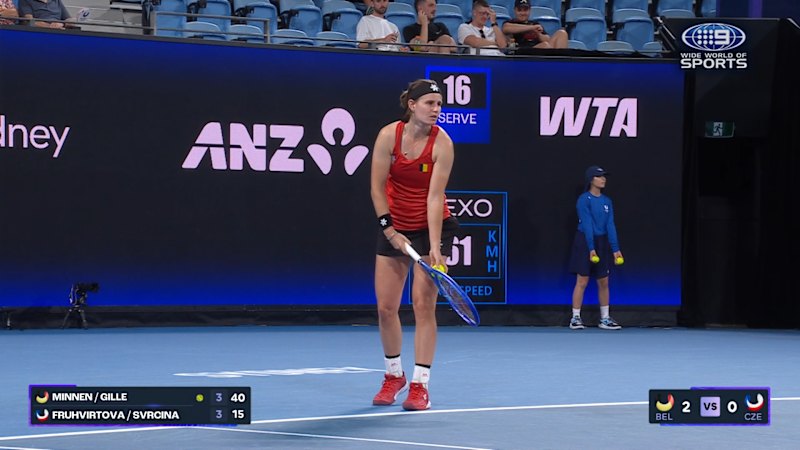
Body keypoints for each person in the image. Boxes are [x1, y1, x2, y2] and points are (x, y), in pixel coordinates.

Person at [369, 79, 459, 411]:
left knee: (423, 306)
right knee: (386, 308)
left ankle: (420, 385)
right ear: (412, 105)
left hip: (431, 227)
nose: (436, 109)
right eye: (430, 103)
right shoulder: (387, 136)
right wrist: (390, 231)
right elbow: (377, 188)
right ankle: (394, 376)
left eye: (439, 104)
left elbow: (435, 198)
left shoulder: (443, 143)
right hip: (394, 224)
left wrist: (435, 246)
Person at [568, 166, 623, 330]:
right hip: (585, 241)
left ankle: (605, 318)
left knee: (604, 281)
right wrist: (591, 248)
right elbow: (587, 224)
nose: (603, 179)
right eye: (599, 176)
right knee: (582, 280)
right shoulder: (583, 200)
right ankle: (575, 318)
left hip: (602, 241)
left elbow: (610, 225)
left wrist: (615, 249)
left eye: (604, 176)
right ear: (591, 180)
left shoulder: (607, 201)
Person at [502, 0, 568, 50]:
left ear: (530, 10)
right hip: (522, 52)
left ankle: (561, 61)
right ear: (515, 10)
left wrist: (538, 34)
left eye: (525, 10)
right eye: (519, 10)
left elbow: (548, 40)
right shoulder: (510, 23)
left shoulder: (535, 24)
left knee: (562, 33)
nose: (522, 13)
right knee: (545, 46)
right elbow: (506, 28)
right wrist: (532, 28)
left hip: (539, 49)